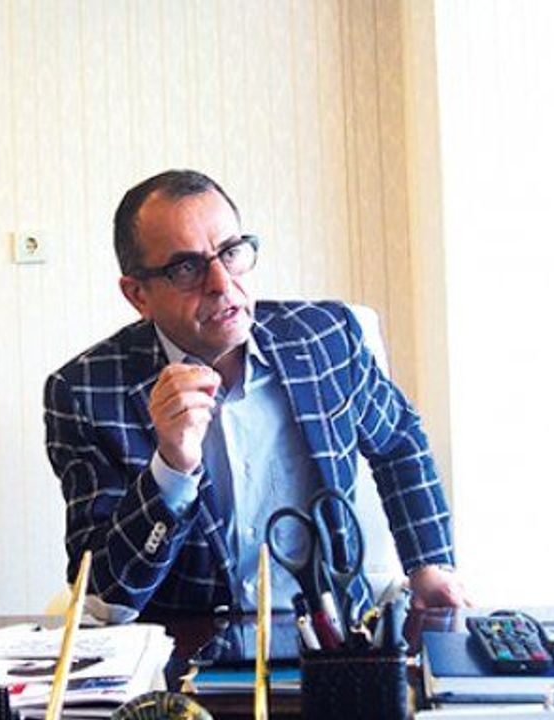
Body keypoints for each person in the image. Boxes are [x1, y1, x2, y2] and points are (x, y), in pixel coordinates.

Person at [44, 169, 468, 620]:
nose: (221, 283)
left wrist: (429, 564)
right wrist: (171, 469)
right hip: (187, 645)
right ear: (138, 295)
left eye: (230, 252)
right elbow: (106, 595)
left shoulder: (324, 338)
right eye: (186, 268)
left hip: (335, 636)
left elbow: (398, 440)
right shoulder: (85, 392)